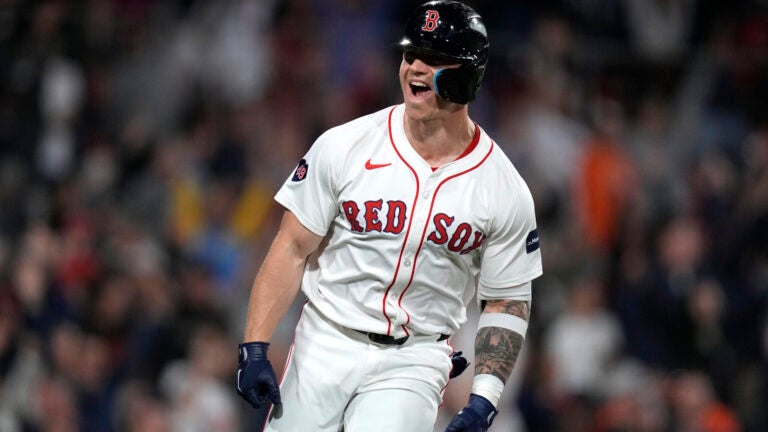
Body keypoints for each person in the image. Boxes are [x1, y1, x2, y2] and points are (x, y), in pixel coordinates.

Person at [235, 1, 543, 431]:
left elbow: (507, 300)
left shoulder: (503, 188)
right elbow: (290, 247)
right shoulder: (345, 145)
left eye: (433, 58)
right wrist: (254, 345)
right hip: (326, 340)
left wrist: (485, 397)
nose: (415, 68)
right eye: (410, 54)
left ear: (469, 75)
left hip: (414, 358)